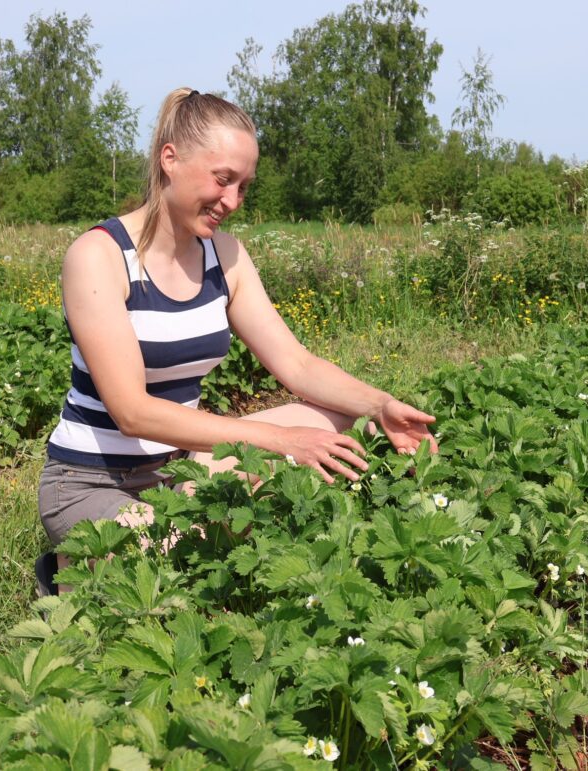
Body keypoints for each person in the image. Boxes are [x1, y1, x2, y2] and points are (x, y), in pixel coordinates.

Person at [35, 87, 438, 594]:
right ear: (170, 159)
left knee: (341, 421)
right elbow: (131, 412)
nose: (232, 201)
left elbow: (296, 365)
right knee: (196, 557)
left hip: (179, 469)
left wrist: (380, 406)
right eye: (222, 179)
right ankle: (69, 570)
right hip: (90, 480)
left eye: (244, 186)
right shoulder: (99, 256)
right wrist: (283, 442)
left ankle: (151, 544)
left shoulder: (224, 256)